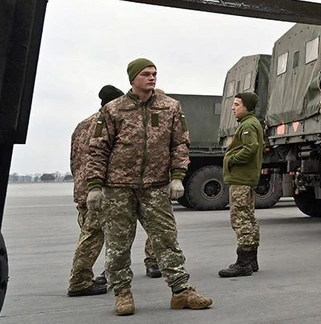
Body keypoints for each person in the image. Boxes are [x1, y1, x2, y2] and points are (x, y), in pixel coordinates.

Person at [85, 58, 212, 316]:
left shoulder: (170, 107)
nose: (152, 77)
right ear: (133, 79)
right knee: (119, 242)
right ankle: (122, 293)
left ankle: (181, 291)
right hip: (119, 186)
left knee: (166, 239)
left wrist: (177, 176)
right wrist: (95, 185)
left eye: (154, 73)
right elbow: (98, 148)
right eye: (146, 74)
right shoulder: (113, 110)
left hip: (155, 186)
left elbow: (180, 143)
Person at [67, 85, 123, 297]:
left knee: (89, 232)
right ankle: (79, 281)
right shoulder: (109, 125)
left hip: (82, 189)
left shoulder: (82, 125)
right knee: (93, 236)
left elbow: (74, 160)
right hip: (99, 190)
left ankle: (106, 273)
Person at [219, 92, 264, 278]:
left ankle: (243, 263)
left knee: (240, 218)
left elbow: (250, 148)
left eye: (236, 104)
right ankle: (251, 260)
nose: (233, 108)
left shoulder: (248, 125)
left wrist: (231, 160)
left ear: (246, 107)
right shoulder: (251, 123)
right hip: (245, 179)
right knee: (248, 217)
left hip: (241, 179)